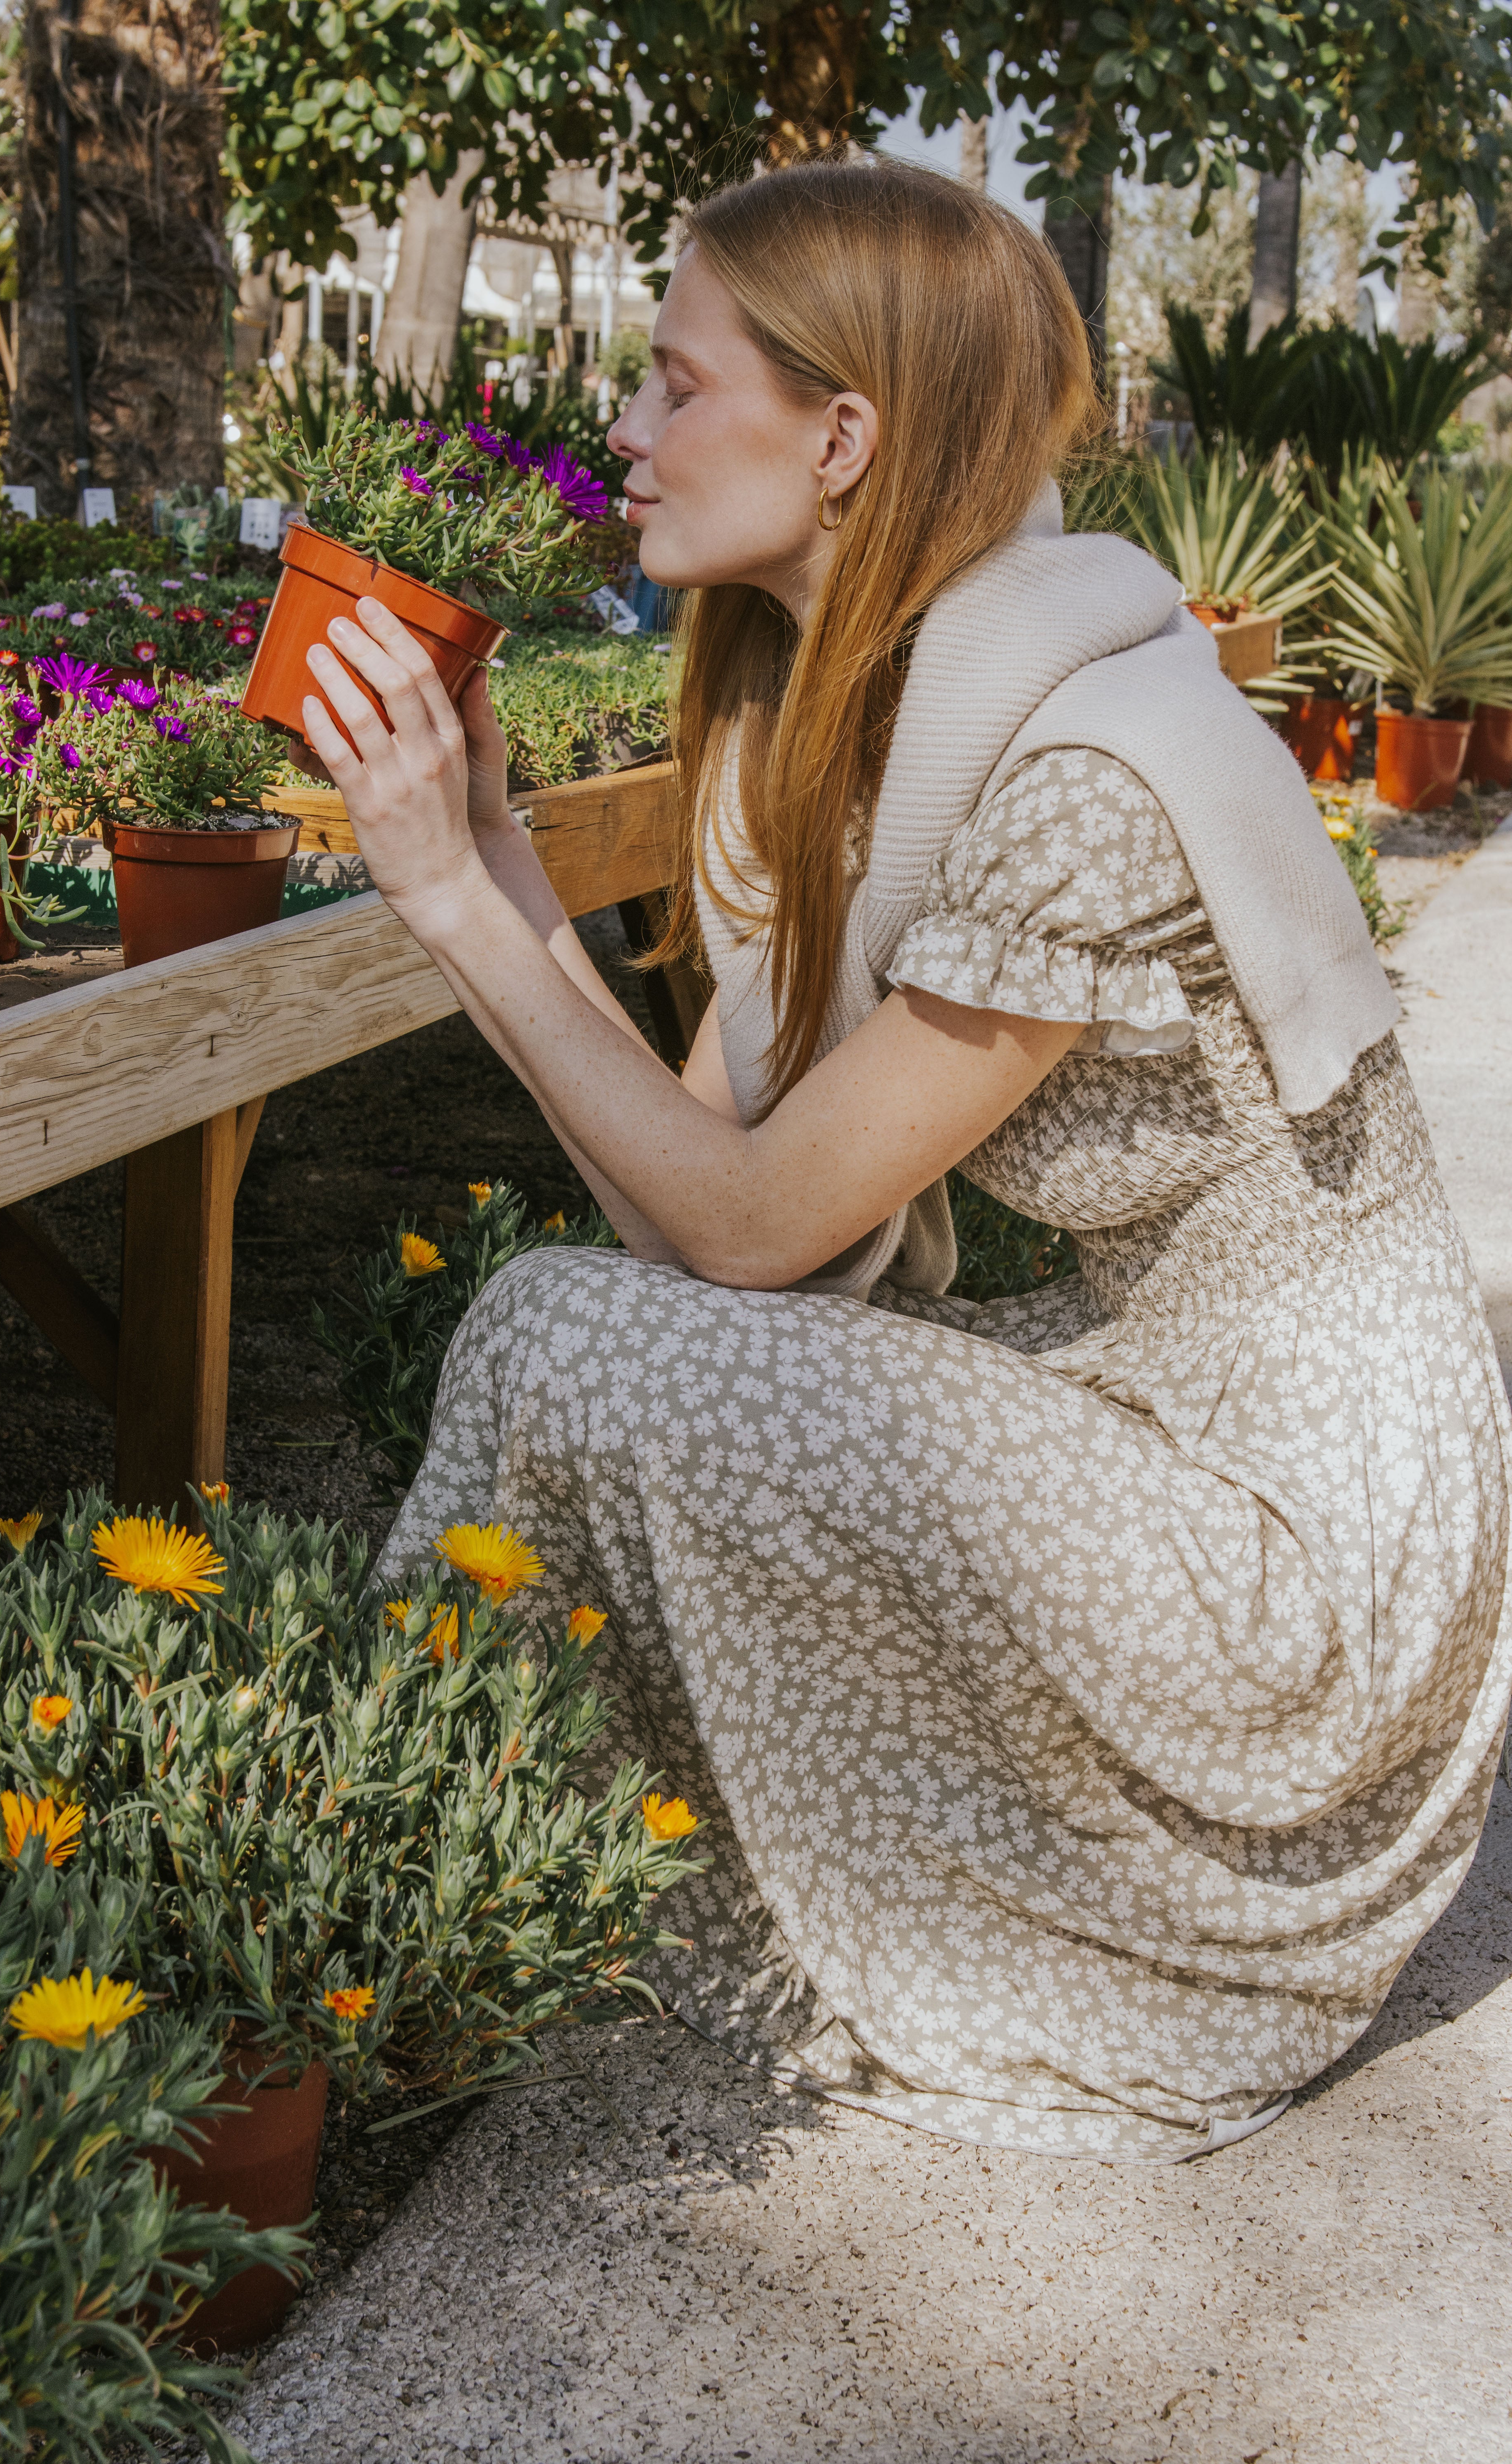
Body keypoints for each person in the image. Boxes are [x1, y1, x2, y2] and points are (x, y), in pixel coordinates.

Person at [296, 157, 1512, 2162]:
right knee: (564, 1325)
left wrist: (444, 906)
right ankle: (430, 1893)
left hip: (1305, 1563)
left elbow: (750, 1234)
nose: (625, 425)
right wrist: (500, 862)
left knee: (565, 1339)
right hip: (1174, 1426)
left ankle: (394, 1905)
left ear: (839, 434)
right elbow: (682, 1191)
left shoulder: (1075, 773)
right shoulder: (878, 718)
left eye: (673, 382)